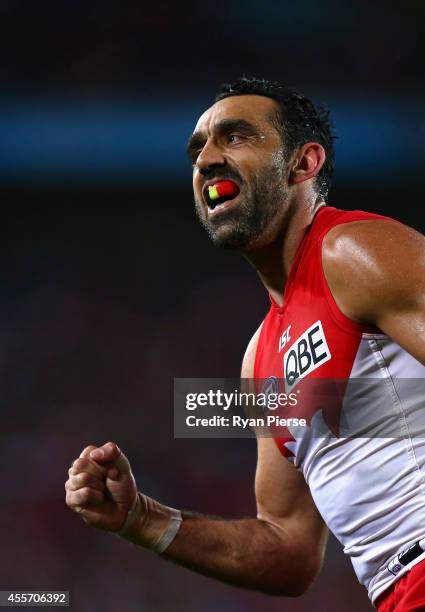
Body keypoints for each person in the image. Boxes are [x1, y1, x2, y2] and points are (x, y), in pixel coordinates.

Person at [65, 77, 425, 610]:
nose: (207, 159)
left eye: (235, 137)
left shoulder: (352, 250)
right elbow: (289, 548)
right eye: (198, 149)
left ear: (304, 164)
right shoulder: (262, 357)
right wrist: (141, 519)